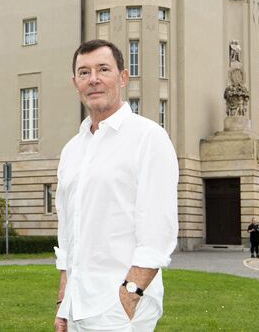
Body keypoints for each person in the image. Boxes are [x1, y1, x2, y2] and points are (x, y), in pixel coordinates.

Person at [55, 39, 179, 331]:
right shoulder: (72, 150)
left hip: (119, 309)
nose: (93, 79)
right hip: (77, 306)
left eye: (103, 69)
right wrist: (63, 301)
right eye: (84, 72)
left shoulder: (148, 138)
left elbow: (158, 231)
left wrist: (129, 295)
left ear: (123, 77)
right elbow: (68, 234)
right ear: (75, 83)